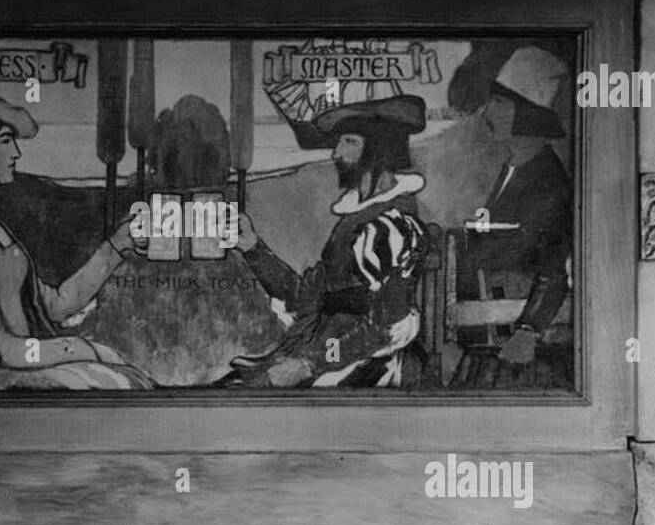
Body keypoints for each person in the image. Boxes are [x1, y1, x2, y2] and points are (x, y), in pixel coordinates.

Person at [0, 92, 153, 391]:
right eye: (6, 140)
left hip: (20, 360)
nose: (16, 153)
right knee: (111, 382)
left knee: (120, 378)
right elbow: (1, 346)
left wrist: (117, 246)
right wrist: (81, 349)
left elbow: (54, 306)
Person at [223, 91, 431, 388]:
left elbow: (385, 327)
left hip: (369, 364)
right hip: (324, 348)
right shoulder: (353, 222)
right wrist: (253, 248)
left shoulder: (391, 226)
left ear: (378, 150)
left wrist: (308, 365)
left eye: (348, 142)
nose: (336, 154)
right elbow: (305, 296)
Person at [454, 46, 572, 386]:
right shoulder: (514, 169)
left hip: (518, 353)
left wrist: (528, 330)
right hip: (489, 342)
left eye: (499, 103)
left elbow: (554, 264)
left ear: (528, 116)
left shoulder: (546, 181)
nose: (486, 112)